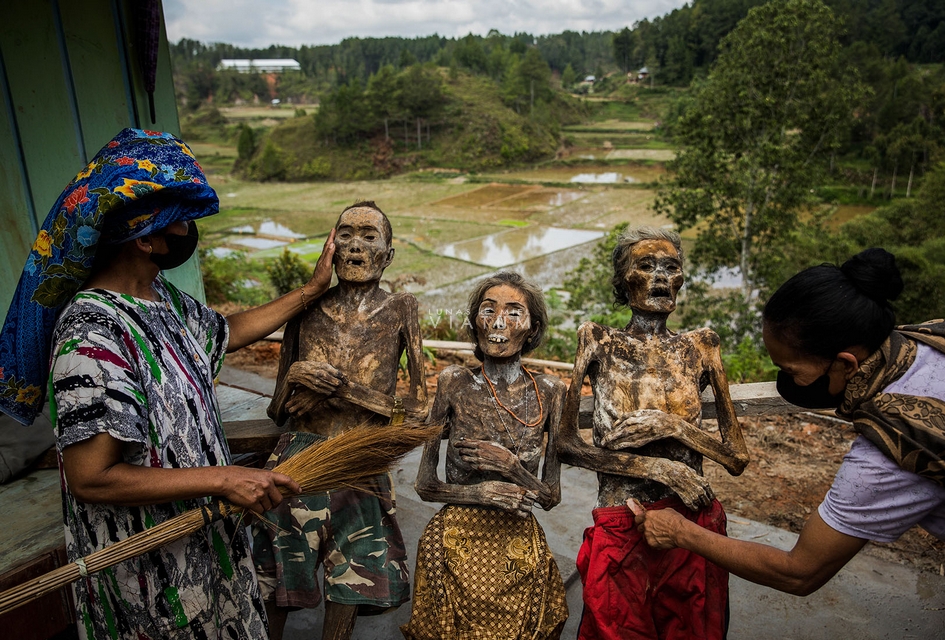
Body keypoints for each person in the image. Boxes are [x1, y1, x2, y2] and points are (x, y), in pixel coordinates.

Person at [0, 128, 336, 639]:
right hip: (151, 574)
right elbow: (92, 477)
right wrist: (223, 479)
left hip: (203, 546)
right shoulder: (92, 333)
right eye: (180, 218)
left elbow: (226, 332)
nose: (188, 229)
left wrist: (310, 292)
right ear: (145, 236)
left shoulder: (163, 300)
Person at [631, 247, 945, 597]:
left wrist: (681, 533)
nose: (786, 380)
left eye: (792, 371)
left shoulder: (893, 453)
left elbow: (799, 572)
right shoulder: (940, 336)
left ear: (847, 365)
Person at [557, 226, 749, 640]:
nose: (661, 277)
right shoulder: (598, 340)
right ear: (624, 278)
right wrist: (661, 469)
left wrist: (671, 425)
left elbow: (736, 457)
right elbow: (566, 445)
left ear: (681, 279)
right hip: (622, 520)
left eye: (671, 267)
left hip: (693, 520)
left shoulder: (701, 345)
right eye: (646, 266)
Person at [253, 201, 427, 640]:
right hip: (298, 457)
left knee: (352, 583)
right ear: (330, 249)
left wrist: (343, 389)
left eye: (369, 237)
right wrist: (294, 377)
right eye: (345, 234)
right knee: (277, 576)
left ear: (388, 254)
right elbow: (277, 409)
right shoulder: (307, 308)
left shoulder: (401, 309)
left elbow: (416, 410)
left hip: (359, 459)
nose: (355, 246)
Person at [402, 271, 568, 640]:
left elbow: (550, 498)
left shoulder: (551, 391)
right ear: (474, 321)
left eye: (513, 312)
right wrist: (478, 493)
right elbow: (425, 485)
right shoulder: (453, 383)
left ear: (533, 327)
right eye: (488, 310)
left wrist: (511, 467)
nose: (497, 322)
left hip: (517, 542)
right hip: (454, 540)